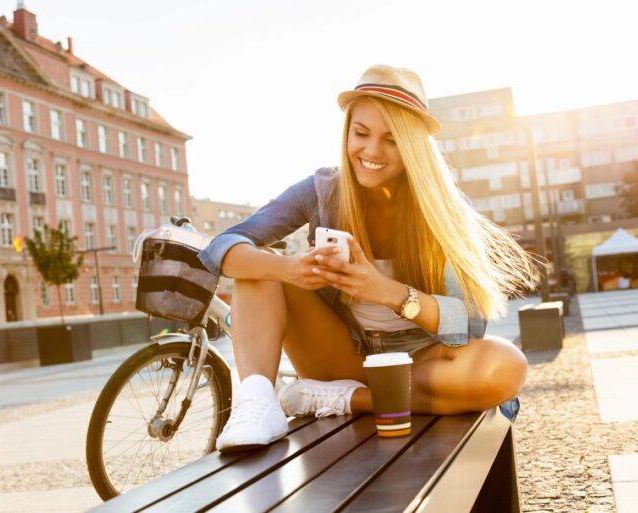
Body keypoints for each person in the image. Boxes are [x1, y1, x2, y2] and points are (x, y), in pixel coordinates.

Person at [197, 64, 539, 452]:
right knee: (256, 267)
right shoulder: (321, 190)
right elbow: (223, 247)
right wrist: (289, 269)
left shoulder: (445, 209)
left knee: (506, 366)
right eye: (361, 134)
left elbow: (469, 327)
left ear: (411, 145)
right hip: (343, 357)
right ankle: (258, 402)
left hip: (419, 364)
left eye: (391, 140)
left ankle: (344, 400)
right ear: (347, 131)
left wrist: (388, 292)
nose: (371, 151)